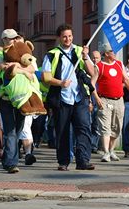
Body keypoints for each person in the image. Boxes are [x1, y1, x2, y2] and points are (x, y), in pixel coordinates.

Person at [42, 23, 95, 171]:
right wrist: (60, 83)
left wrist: (85, 57)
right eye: (64, 36)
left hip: (79, 98)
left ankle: (83, 160)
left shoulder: (79, 51)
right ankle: (63, 161)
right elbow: (46, 77)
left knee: (84, 128)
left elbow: (92, 73)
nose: (68, 39)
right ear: (59, 37)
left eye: (70, 36)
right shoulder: (52, 54)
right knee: (62, 130)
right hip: (62, 99)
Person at [0, 30, 36, 173]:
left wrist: (20, 68)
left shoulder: (25, 53)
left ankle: (7, 159)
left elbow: (32, 67)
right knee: (11, 131)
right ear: (3, 39)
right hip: (5, 98)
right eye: (9, 39)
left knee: (18, 130)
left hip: (22, 99)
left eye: (15, 38)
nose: (12, 41)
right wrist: (23, 70)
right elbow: (5, 67)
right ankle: (12, 163)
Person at [91, 43, 129, 163]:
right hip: (104, 100)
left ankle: (111, 150)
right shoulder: (99, 66)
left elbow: (126, 80)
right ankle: (106, 152)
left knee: (116, 127)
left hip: (119, 100)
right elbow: (92, 84)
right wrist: (96, 98)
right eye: (112, 51)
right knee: (105, 127)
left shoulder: (119, 64)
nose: (114, 53)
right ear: (106, 53)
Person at [90, 50, 101, 153]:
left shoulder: (102, 69)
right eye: (93, 57)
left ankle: (94, 146)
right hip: (90, 100)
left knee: (96, 125)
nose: (94, 59)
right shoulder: (88, 69)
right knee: (88, 123)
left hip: (99, 100)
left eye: (96, 58)